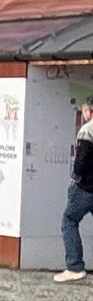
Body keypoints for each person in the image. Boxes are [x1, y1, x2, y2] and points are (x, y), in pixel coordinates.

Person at [53, 98, 93, 283]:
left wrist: (74, 179)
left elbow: (81, 161)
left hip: (86, 188)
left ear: (89, 111)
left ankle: (75, 267)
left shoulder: (87, 130)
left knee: (69, 220)